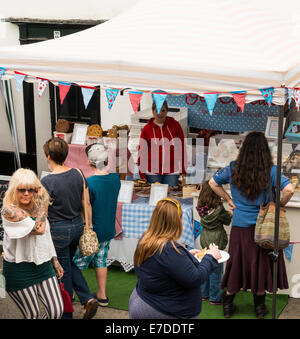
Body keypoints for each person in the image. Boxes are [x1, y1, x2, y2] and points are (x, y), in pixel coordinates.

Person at [209, 131, 294, 319]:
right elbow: (289, 189)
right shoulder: (272, 170)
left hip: (239, 226)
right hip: (263, 227)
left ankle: (228, 305)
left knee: (236, 264)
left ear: (244, 148)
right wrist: (279, 204)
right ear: (265, 149)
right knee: (260, 265)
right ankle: (260, 308)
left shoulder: (233, 168)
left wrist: (229, 200)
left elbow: (212, 183)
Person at [128, 197, 221, 319]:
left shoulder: (147, 238)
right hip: (160, 309)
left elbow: (165, 264)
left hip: (145, 299)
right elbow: (195, 278)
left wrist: (187, 254)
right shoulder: (168, 249)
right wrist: (210, 257)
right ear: (176, 221)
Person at [41, 137, 98, 319]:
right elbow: (86, 202)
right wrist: (87, 225)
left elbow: (43, 212)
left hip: (58, 230)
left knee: (61, 269)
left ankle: (66, 313)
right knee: (69, 263)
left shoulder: (47, 181)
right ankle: (87, 299)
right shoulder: (78, 173)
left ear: (48, 156)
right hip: (76, 226)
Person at [1, 168, 64, 319]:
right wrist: (43, 203)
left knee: (56, 311)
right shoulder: (9, 210)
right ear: (14, 189)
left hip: (42, 263)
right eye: (22, 189)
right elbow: (39, 229)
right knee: (33, 315)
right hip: (19, 269)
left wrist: (54, 260)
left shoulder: (36, 206)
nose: (27, 193)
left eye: (31, 189)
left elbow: (46, 234)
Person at [73, 143, 121, 307]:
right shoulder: (115, 179)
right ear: (107, 161)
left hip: (92, 231)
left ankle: (72, 293)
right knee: (101, 260)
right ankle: (102, 295)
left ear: (89, 163)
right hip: (108, 229)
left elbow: (85, 207)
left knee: (76, 263)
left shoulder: (89, 183)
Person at [196, 180, 232, 305]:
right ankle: (215, 297)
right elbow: (226, 221)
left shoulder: (200, 206)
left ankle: (203, 294)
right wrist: (229, 214)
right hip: (217, 238)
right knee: (216, 270)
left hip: (204, 236)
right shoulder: (219, 209)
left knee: (205, 265)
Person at [138, 100, 187, 186]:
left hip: (172, 171)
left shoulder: (175, 125)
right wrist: (142, 173)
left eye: (163, 110)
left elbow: (182, 148)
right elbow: (142, 152)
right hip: (152, 172)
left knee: (171, 197)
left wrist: (183, 169)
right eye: (157, 111)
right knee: (156, 197)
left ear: (167, 111)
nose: (159, 113)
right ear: (153, 112)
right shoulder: (147, 129)